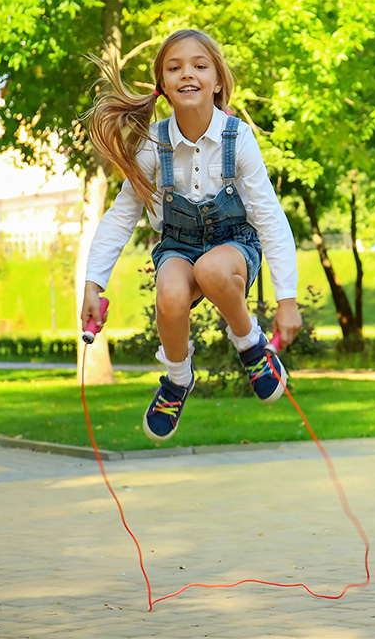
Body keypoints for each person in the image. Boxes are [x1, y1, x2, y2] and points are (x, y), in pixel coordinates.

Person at [81, 29, 302, 443]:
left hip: (234, 245)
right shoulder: (153, 145)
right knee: (169, 293)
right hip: (177, 248)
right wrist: (93, 284)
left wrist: (287, 300)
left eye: (200, 66)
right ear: (162, 85)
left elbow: (270, 218)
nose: (188, 74)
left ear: (217, 81)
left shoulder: (239, 139)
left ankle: (251, 346)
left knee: (213, 269)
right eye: (175, 67)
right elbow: (121, 216)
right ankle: (178, 379)